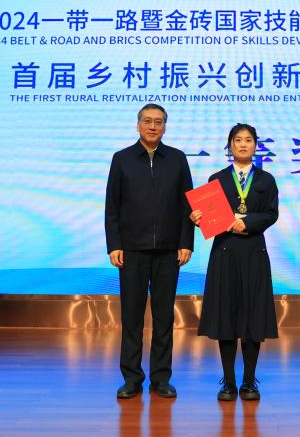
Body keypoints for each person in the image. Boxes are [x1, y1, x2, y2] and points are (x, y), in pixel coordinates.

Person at [105, 103, 194, 399]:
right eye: (147, 121)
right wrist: (114, 245)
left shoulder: (177, 159)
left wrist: (186, 242)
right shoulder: (122, 159)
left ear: (165, 126)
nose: (152, 126)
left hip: (169, 251)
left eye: (158, 122)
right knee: (131, 317)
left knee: (164, 317)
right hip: (131, 251)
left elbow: (187, 205)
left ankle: (161, 377)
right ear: (138, 125)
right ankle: (131, 378)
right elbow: (112, 207)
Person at [191, 124, 279, 402]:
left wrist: (247, 222)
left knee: (253, 316)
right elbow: (208, 215)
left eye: (248, 140)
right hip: (224, 253)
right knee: (225, 316)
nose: (243, 144)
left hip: (254, 252)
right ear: (229, 145)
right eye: (237, 140)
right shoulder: (216, 179)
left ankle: (249, 381)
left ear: (255, 145)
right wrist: (198, 219)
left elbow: (271, 214)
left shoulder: (266, 180)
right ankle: (228, 382)